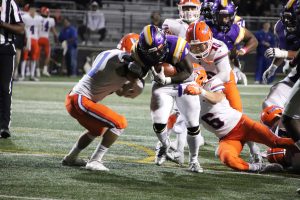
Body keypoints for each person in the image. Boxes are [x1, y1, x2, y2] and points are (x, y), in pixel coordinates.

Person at [183, 69, 297, 173]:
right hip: (227, 138)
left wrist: (200, 91)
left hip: (243, 125)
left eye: (188, 80)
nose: (186, 84)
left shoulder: (212, 83)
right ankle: (258, 167)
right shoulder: (187, 100)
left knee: (277, 142)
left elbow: (217, 98)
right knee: (227, 158)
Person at [131, 24, 203, 173]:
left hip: (184, 82)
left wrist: (168, 80)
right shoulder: (138, 51)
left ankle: (194, 160)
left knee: (193, 125)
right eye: (150, 53)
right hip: (161, 84)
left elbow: (189, 72)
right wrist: (138, 75)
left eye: (158, 51)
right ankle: (164, 145)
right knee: (158, 123)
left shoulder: (176, 44)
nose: (156, 56)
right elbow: (141, 71)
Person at [62, 48, 146, 171]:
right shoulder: (113, 57)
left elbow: (121, 92)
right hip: (80, 99)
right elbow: (101, 63)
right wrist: (125, 60)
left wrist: (133, 83)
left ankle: (70, 158)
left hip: (77, 101)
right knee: (119, 123)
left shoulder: (126, 72)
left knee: (97, 130)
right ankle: (95, 160)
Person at [210, 0, 261, 163]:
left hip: (226, 75)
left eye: (227, 17)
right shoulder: (205, 28)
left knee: (238, 113)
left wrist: (243, 50)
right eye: (221, 16)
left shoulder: (236, 29)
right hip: (207, 76)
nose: (225, 20)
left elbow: (253, 40)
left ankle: (254, 148)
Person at [0, 0, 25, 138]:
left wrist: (2, 24)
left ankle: (4, 126)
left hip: (5, 49)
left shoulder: (10, 4)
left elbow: (21, 29)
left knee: (5, 88)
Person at [19, 5, 43, 81]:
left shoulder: (39, 18)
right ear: (29, 10)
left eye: (34, 10)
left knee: (34, 58)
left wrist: (38, 37)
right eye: (31, 10)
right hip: (28, 39)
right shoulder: (25, 17)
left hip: (35, 39)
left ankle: (32, 75)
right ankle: (22, 75)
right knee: (25, 57)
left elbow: (39, 29)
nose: (32, 11)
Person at [38, 6, 58, 77]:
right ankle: (45, 70)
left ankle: (37, 70)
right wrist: (56, 39)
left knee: (38, 55)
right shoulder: (51, 20)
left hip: (38, 38)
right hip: (45, 39)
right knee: (47, 55)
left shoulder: (38, 18)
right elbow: (54, 33)